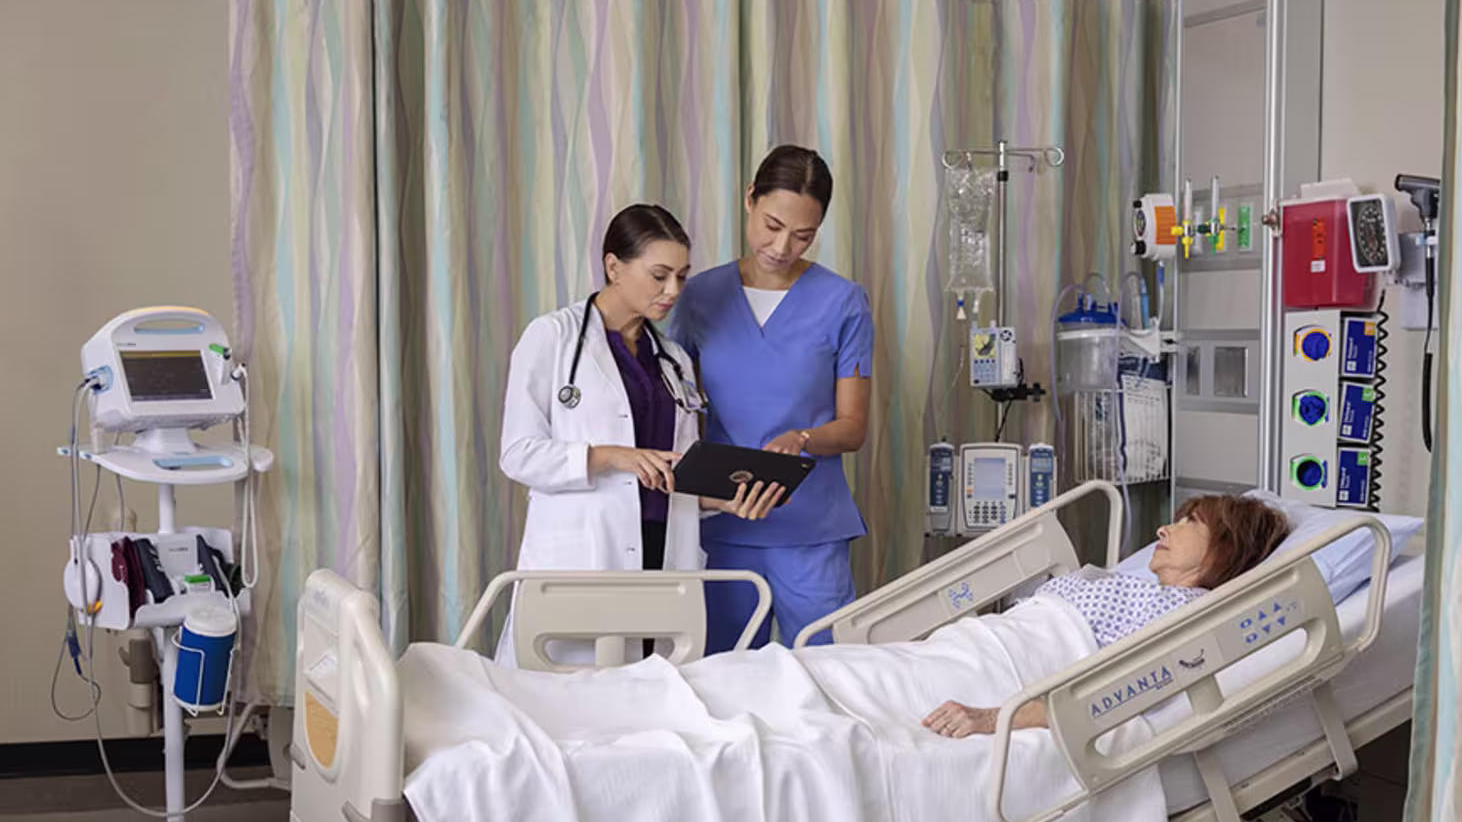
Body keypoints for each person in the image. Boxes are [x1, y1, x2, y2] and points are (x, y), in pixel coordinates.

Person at [498, 203, 781, 664]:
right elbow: (518, 454)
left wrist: (723, 499)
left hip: (664, 552)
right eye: (659, 275)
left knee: (650, 703)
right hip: (588, 551)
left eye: (682, 277)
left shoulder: (673, 359)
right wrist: (611, 456)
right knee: (563, 699)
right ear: (613, 266)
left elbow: (677, 472)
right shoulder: (552, 339)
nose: (673, 291)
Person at [669, 145, 876, 653]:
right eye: (772, 224)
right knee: (724, 682)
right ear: (749, 200)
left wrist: (803, 437)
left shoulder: (842, 302)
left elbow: (853, 426)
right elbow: (677, 411)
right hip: (724, 524)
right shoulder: (698, 296)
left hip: (811, 528)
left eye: (803, 235)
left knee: (832, 675)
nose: (782, 246)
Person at [921, 494, 1291, 738]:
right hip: (972, 648)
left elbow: (1111, 697)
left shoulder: (1186, 614)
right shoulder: (1134, 588)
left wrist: (990, 719)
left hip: (999, 676)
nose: (1164, 529)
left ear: (1224, 549)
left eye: (1190, 521)